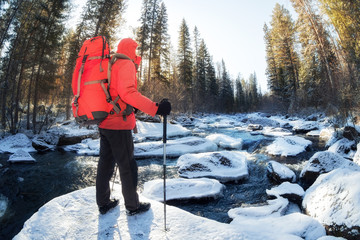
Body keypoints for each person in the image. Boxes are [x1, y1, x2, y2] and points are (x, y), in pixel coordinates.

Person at [96, 38, 171, 215]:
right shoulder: (126, 64)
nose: (137, 54)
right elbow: (128, 93)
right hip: (119, 124)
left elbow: (115, 92)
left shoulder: (111, 63)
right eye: (135, 50)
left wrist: (134, 106)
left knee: (105, 164)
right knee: (128, 166)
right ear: (130, 50)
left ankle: (103, 202)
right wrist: (156, 108)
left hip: (105, 121)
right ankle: (133, 206)